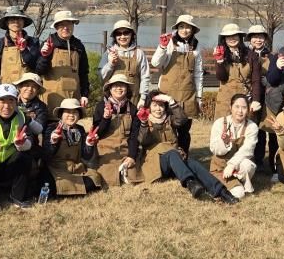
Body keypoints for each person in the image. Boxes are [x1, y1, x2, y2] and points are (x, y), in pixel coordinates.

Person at [139, 91, 238, 204]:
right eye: (154, 105)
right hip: (157, 164)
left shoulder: (170, 119)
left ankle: (222, 192)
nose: (158, 109)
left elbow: (182, 120)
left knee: (192, 163)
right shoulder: (144, 120)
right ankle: (190, 183)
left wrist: (171, 100)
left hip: (175, 162)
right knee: (173, 153)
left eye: (161, 105)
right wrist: (143, 123)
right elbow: (143, 140)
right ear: (149, 107)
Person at [151, 14, 203, 157]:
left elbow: (198, 74)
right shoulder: (169, 43)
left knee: (185, 131)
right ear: (177, 28)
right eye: (181, 26)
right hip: (168, 94)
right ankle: (166, 156)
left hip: (188, 95)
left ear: (193, 30)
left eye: (188, 27)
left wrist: (199, 97)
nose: (185, 30)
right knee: (167, 128)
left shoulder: (196, 47)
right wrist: (162, 46)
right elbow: (155, 63)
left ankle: (184, 156)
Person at [41, 98, 103, 197]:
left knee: (95, 179)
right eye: (67, 112)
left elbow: (86, 156)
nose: (71, 115)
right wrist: (53, 142)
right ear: (61, 114)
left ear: (79, 115)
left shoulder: (80, 129)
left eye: (75, 112)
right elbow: (46, 155)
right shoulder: (51, 128)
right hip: (56, 169)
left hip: (76, 168)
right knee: (48, 183)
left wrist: (89, 144)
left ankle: (66, 190)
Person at [90, 74, 143, 187]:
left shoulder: (133, 108)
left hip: (125, 148)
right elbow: (97, 133)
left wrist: (132, 156)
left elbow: (134, 135)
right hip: (106, 149)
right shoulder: (101, 106)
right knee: (105, 176)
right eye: (115, 85)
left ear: (127, 89)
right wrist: (105, 119)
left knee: (135, 175)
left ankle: (125, 168)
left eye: (122, 85)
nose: (119, 88)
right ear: (110, 89)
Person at [36, 10, 90, 112]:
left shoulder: (78, 46)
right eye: (61, 25)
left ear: (73, 25)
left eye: (68, 24)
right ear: (56, 27)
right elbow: (39, 70)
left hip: (73, 98)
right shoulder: (48, 44)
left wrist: (84, 94)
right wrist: (45, 56)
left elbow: (84, 73)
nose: (65, 28)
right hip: (52, 96)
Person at [209, 94, 258, 199]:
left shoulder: (252, 126)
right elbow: (214, 149)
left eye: (244, 107)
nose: (240, 111)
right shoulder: (219, 123)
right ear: (230, 107)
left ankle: (239, 182)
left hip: (238, 167)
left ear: (248, 110)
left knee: (248, 165)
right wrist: (225, 143)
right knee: (238, 194)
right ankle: (230, 186)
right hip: (220, 168)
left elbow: (247, 150)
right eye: (237, 107)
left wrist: (232, 165)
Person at [246, 24, 278, 180]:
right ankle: (257, 161)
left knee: (271, 130)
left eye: (260, 37)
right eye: (254, 37)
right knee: (255, 130)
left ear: (265, 39)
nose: (258, 40)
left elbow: (278, 76)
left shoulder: (272, 56)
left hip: (269, 97)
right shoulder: (245, 55)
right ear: (249, 39)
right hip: (251, 98)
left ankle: (274, 162)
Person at [213, 23, 262, 119]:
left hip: (244, 98)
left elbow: (256, 80)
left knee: (244, 126)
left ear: (240, 37)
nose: (232, 38)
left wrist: (256, 100)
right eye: (228, 36)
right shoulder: (220, 53)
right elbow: (221, 77)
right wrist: (220, 61)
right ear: (224, 39)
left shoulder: (251, 55)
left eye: (235, 35)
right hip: (225, 99)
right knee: (224, 126)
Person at [98, 20, 150, 106]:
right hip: (112, 101)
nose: (122, 36)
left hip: (134, 100)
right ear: (114, 36)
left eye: (126, 33)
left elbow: (145, 76)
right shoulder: (108, 53)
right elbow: (101, 77)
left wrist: (143, 98)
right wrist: (111, 64)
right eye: (118, 33)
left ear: (131, 35)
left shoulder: (139, 53)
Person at [0, 6, 40, 87]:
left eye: (19, 19)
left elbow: (35, 66)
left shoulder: (33, 42)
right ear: (7, 23)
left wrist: (24, 50)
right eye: (12, 19)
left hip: (27, 89)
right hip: (6, 90)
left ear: (23, 22)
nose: (16, 22)